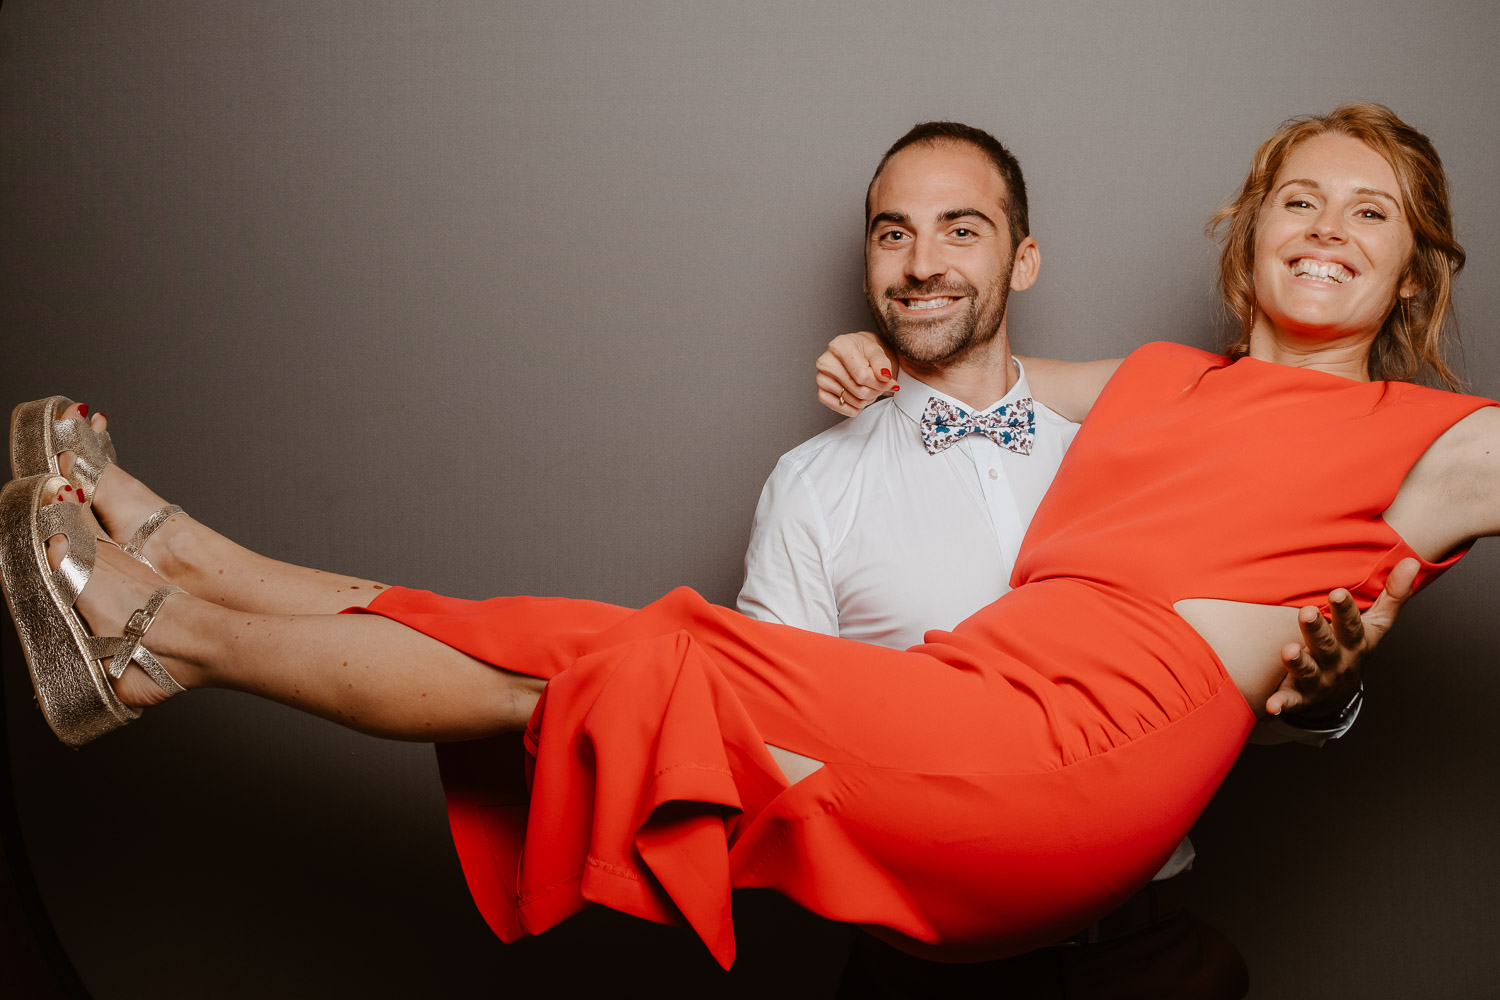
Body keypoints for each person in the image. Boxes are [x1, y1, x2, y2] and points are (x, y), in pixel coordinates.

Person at [0, 103, 1493, 974]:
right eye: (1302, 194)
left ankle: (165, 641)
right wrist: (872, 346)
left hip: (1094, 768)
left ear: (1411, 262)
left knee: (653, 666)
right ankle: (186, 570)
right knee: (618, 650)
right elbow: (967, 362)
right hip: (969, 715)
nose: (1329, 225)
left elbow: (1300, 667)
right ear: (1251, 231)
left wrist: (1330, 671)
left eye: (1373, 211)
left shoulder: (1424, 445)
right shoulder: (1162, 385)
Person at [738, 120, 1404, 997]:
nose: (922, 263)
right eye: (894, 233)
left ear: (1024, 261)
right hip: (928, 968)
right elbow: (763, 739)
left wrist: (1322, 699)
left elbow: (1218, 694)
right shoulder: (812, 486)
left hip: (1147, 956)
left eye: (962, 229)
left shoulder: (1151, 444)